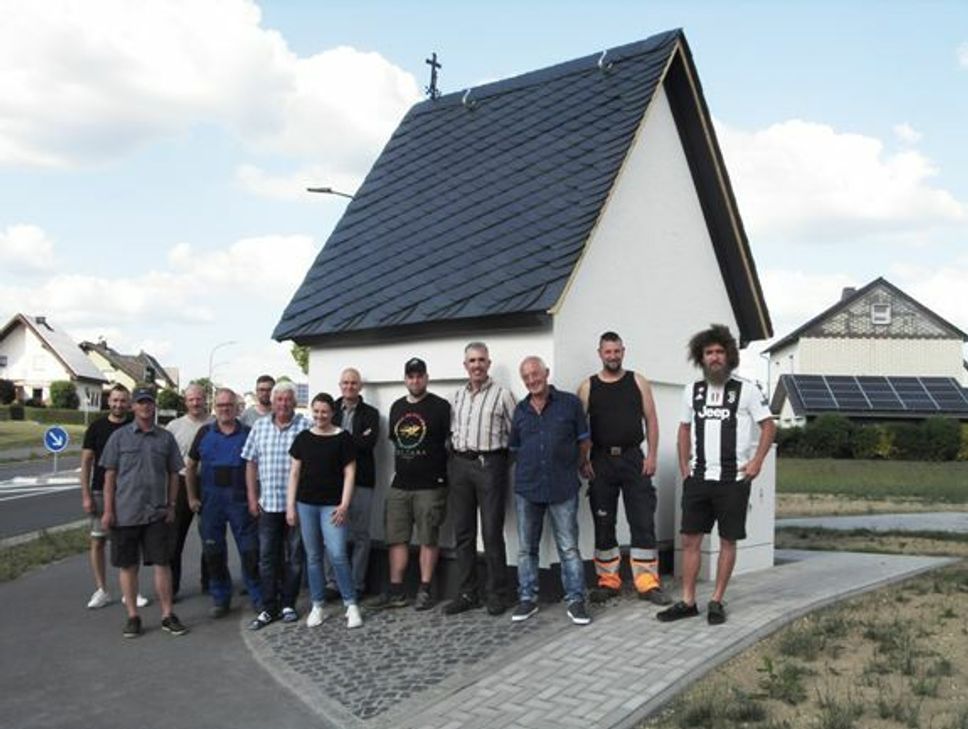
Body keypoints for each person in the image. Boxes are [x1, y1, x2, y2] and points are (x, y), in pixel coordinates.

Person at [657, 325, 776, 625]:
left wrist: (757, 461)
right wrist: (685, 466)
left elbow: (768, 426)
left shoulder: (746, 389)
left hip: (733, 481)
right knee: (691, 540)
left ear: (729, 355)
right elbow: (684, 429)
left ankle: (716, 600)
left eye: (719, 352)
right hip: (698, 479)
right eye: (709, 352)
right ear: (701, 357)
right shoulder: (692, 391)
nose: (714, 357)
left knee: (727, 540)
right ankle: (687, 601)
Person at [577, 331, 670, 605]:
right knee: (604, 523)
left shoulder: (638, 382)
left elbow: (651, 420)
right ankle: (608, 581)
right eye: (608, 352)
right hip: (602, 462)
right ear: (600, 353)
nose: (613, 356)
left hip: (633, 459)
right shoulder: (587, 387)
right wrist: (583, 460)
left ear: (623, 352)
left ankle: (647, 582)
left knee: (642, 521)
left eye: (617, 351)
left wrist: (651, 455)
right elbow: (580, 429)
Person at [509, 356, 592, 626]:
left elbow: (583, 441)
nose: (532, 380)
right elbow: (515, 449)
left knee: (568, 548)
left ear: (546, 373)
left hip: (562, 485)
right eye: (526, 377)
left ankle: (576, 600)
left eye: (536, 374)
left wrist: (574, 466)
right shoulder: (520, 410)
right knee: (526, 549)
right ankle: (527, 599)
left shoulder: (569, 404)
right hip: (528, 487)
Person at [100, 386, 188, 638]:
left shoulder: (165, 438)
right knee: (128, 566)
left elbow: (174, 474)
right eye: (141, 403)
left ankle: (167, 614)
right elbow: (110, 477)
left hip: (157, 513)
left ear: (154, 406)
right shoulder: (119, 438)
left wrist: (171, 505)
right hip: (125, 512)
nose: (146, 407)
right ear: (133, 407)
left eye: (149, 402)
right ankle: (132, 616)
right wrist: (108, 510)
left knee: (163, 563)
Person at [444, 342, 516, 617]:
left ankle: (497, 594)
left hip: (490, 466)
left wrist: (499, 464)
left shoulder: (503, 395)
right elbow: (451, 432)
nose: (477, 365)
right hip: (460, 465)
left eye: (481, 360)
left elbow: (516, 436)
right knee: (463, 533)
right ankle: (467, 593)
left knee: (491, 532)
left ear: (488, 363)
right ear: (465, 365)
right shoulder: (456, 397)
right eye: (472, 361)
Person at [372, 357, 450, 611]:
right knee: (396, 538)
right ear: (405, 379)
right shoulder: (396, 407)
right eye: (410, 376)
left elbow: (450, 442)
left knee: (428, 538)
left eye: (419, 375)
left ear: (426, 378)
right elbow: (396, 441)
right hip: (400, 484)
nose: (415, 380)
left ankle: (425, 589)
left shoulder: (440, 406)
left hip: (430, 485)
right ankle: (396, 591)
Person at [286, 392, 363, 629]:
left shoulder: (343, 438)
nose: (320, 416)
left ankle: (351, 604)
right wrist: (290, 506)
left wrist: (344, 504)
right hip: (306, 504)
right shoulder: (303, 438)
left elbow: (350, 473)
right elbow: (295, 473)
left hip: (332, 506)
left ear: (332, 413)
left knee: (338, 554)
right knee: (313, 557)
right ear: (312, 411)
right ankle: (317, 605)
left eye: (325, 412)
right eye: (316, 411)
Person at [184, 387, 262, 618]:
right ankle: (221, 598)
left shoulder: (249, 433)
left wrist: (255, 498)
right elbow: (190, 468)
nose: (225, 409)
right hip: (211, 503)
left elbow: (258, 466)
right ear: (214, 408)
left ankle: (258, 596)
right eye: (220, 406)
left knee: (250, 552)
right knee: (214, 554)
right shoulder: (203, 433)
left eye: (229, 405)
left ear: (237, 408)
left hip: (240, 502)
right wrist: (191, 497)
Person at [242, 381, 311, 630]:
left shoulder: (306, 426)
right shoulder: (259, 427)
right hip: (268, 505)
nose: (283, 403)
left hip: (296, 506)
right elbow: (250, 463)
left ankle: (288, 604)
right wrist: (252, 497)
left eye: (287, 399)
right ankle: (268, 607)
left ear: (294, 402)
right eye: (279, 399)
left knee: (294, 557)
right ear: (272, 401)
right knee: (267, 557)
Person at [80, 384, 151, 609]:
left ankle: (130, 591)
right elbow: (86, 463)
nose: (119, 404)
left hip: (129, 494)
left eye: (123, 401)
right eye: (115, 400)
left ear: (129, 403)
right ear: (108, 401)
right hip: (100, 491)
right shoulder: (96, 428)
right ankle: (102, 589)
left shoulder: (135, 426)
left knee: (130, 542)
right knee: (98, 540)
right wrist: (86, 495)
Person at [323, 368, 379, 600]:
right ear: (340, 384)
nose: (349, 387)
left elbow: (368, 444)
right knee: (333, 533)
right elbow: (322, 441)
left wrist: (339, 441)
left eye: (353, 383)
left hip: (362, 480)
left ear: (360, 386)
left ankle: (356, 584)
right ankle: (332, 583)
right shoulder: (330, 410)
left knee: (360, 535)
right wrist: (350, 441)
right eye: (345, 382)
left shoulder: (371, 414)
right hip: (332, 481)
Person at [164, 383, 211, 597]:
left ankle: (209, 582)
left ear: (205, 399)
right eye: (191, 399)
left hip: (207, 483)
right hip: (181, 484)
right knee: (175, 538)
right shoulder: (174, 426)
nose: (195, 403)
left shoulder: (213, 423)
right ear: (186, 402)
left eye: (199, 398)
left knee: (210, 536)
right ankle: (172, 586)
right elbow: (165, 460)